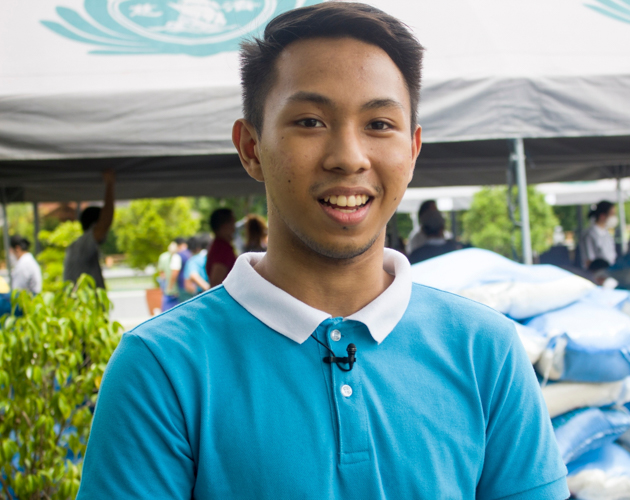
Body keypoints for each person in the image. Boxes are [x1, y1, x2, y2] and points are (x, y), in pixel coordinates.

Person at [77, 4, 568, 499]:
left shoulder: (486, 352)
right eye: (310, 121)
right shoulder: (162, 367)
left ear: (414, 150)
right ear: (251, 148)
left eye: (379, 124)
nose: (349, 158)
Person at [63, 170, 115, 288]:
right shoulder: (81, 247)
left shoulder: (83, 247)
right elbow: (104, 223)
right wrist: (110, 183)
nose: (106, 233)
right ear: (94, 225)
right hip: (81, 306)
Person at [580, 200, 618, 269]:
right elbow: (589, 261)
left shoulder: (606, 233)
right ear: (602, 216)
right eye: (612, 214)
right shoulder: (589, 234)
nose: (614, 217)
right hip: (597, 274)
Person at [205, 208, 237, 288]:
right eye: (232, 224)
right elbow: (216, 282)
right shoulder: (222, 249)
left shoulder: (218, 246)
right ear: (224, 226)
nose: (234, 229)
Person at [156, 239, 183, 312]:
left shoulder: (163, 256)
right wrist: (170, 287)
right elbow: (174, 274)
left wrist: (163, 285)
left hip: (165, 286)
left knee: (165, 309)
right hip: (173, 289)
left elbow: (161, 273)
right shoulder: (176, 257)